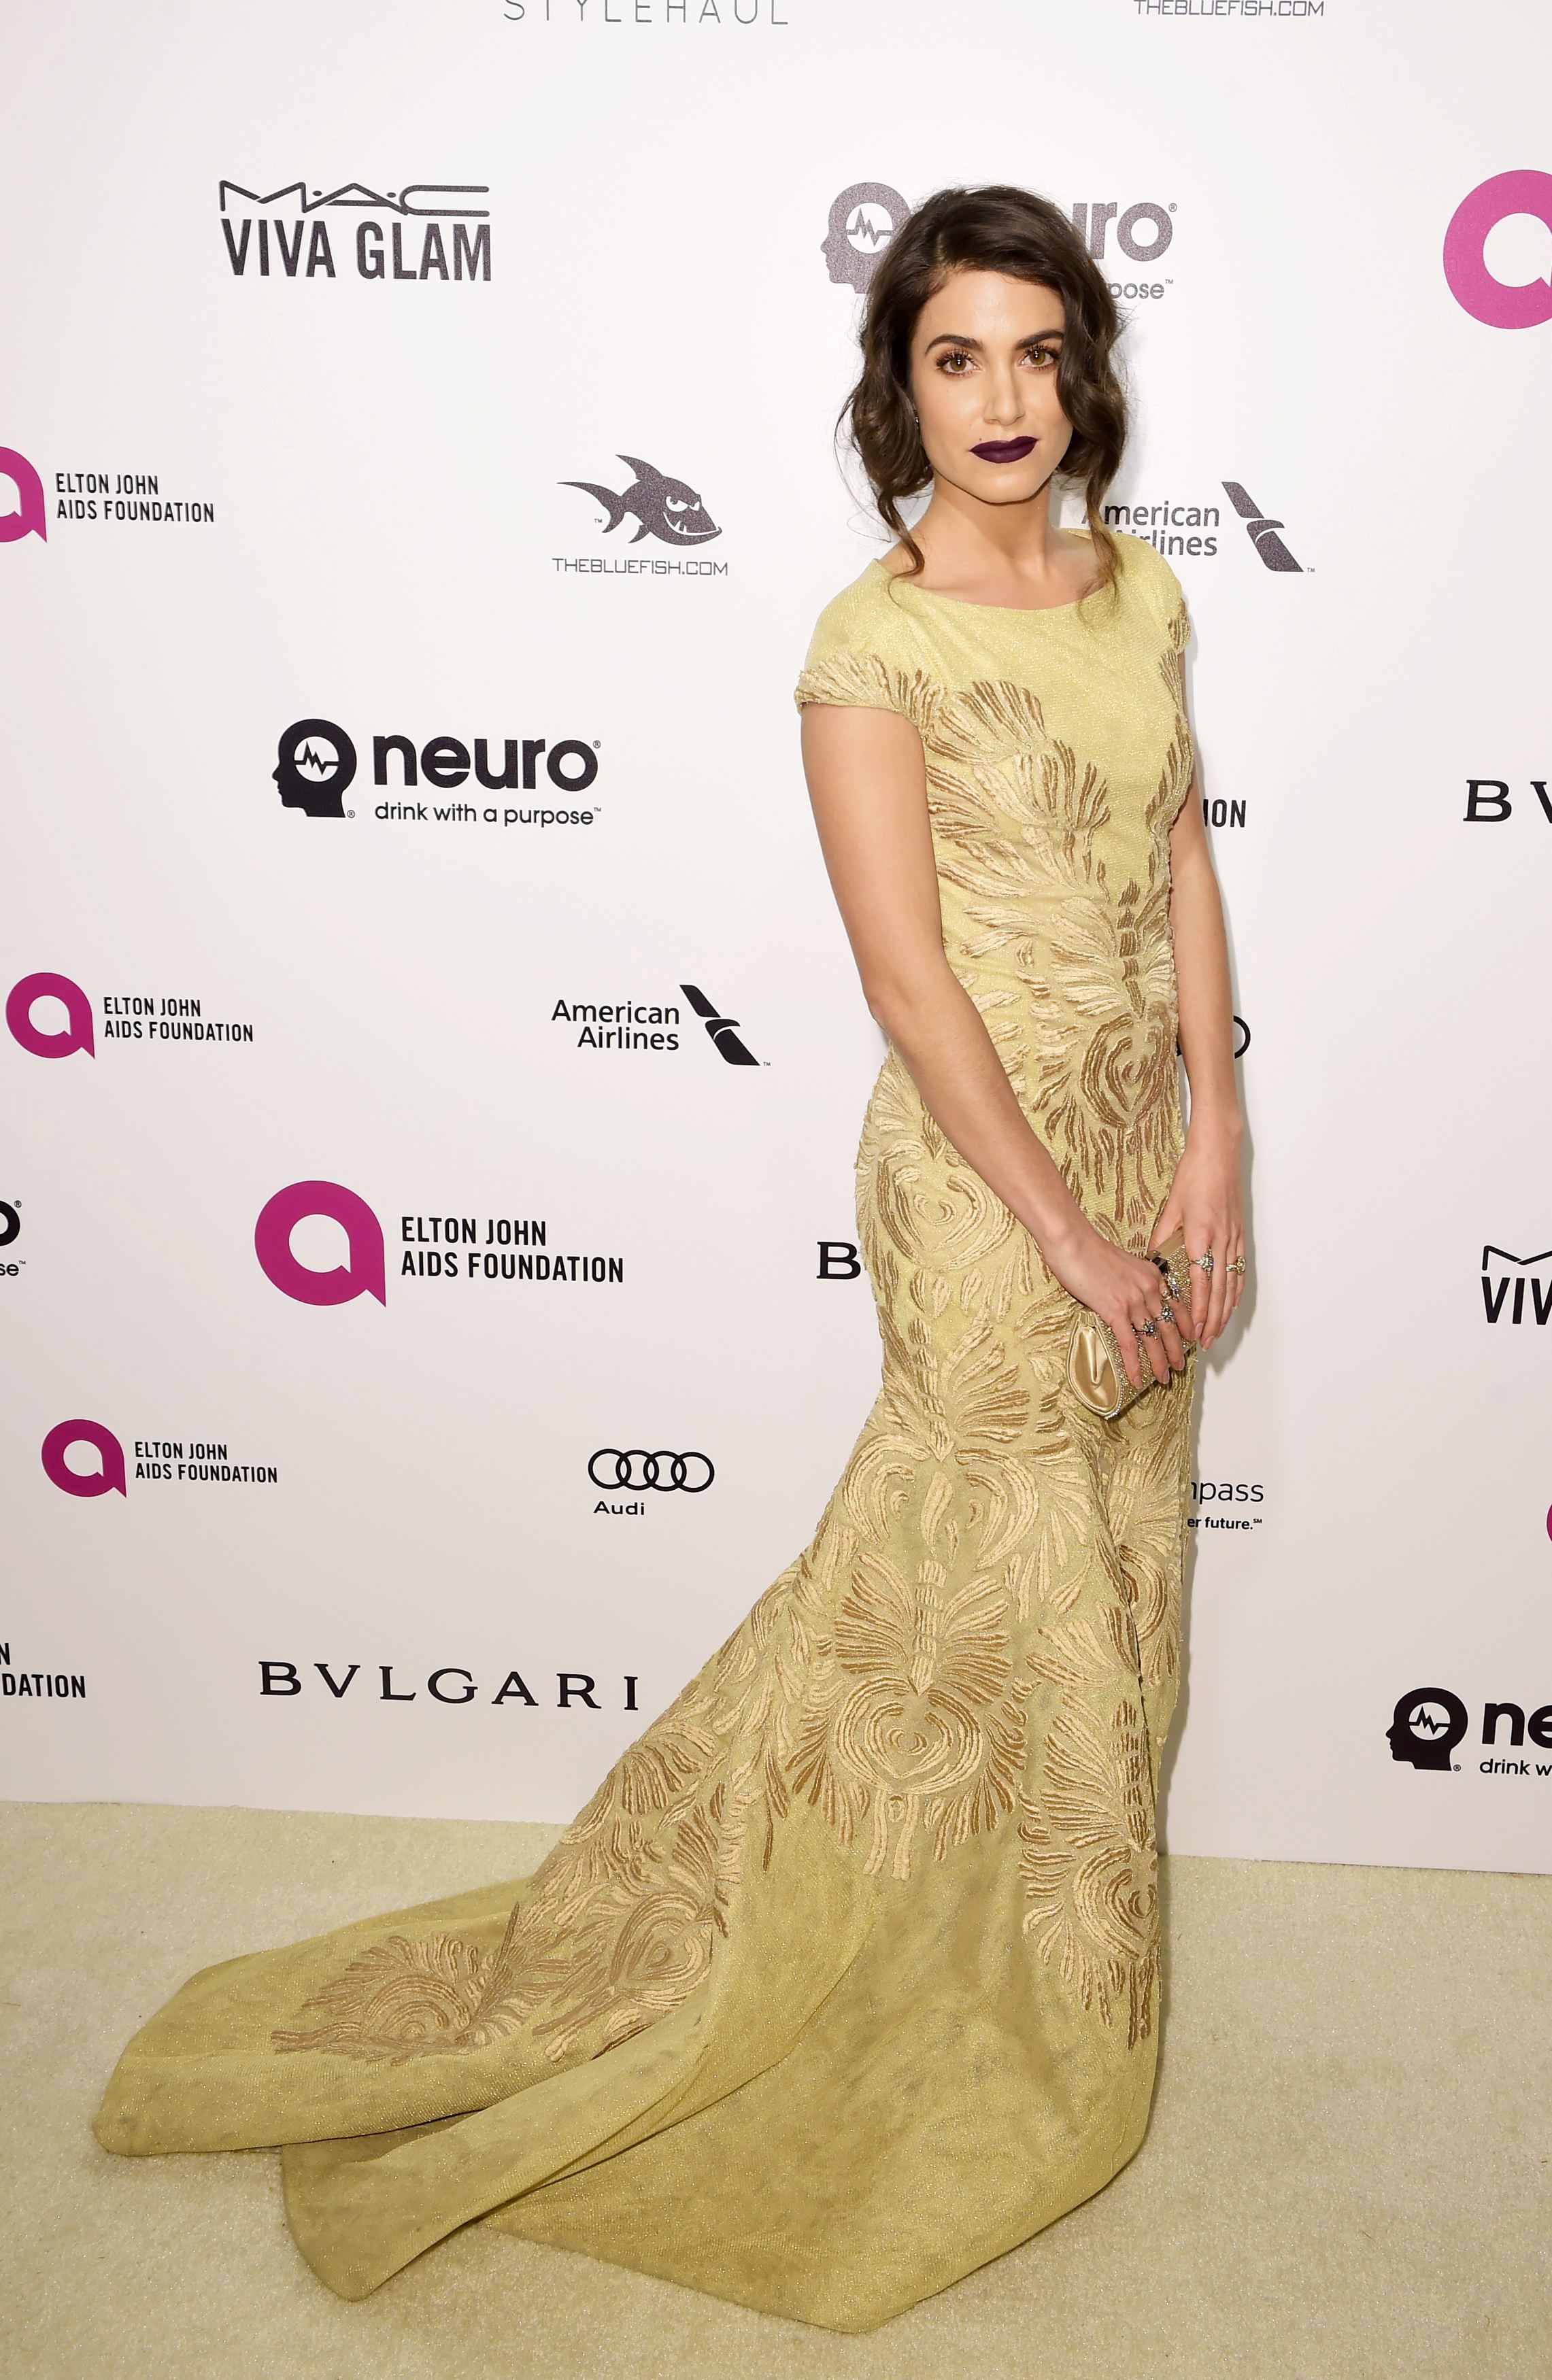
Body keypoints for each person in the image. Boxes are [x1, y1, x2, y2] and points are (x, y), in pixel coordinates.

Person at [94, 184, 1247, 2332]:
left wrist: (1217, 1141)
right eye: (955, 357)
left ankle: (1026, 1959)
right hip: (987, 1189)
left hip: (1142, 1150)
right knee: (962, 1586)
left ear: (1083, 370)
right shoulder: (869, 643)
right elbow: (909, 985)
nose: (1001, 397)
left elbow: (1178, 843)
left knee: (1110, 1578)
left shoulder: (1141, 587)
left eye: (1034, 351)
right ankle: (874, 1975)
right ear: (900, 390)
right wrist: (1068, 1235)